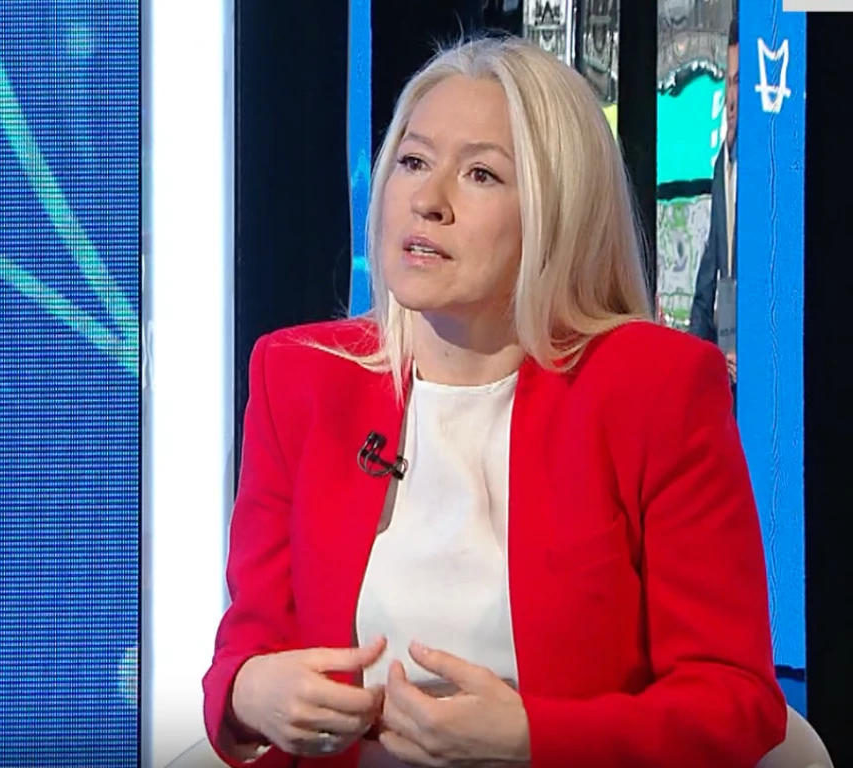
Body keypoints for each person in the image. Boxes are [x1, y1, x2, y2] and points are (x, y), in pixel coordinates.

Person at [204, 35, 785, 768]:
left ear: (557, 210)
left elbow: (734, 702)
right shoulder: (300, 378)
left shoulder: (656, 390)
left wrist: (533, 740)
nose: (427, 201)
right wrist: (249, 691)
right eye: (413, 161)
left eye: (480, 174)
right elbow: (250, 642)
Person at [690, 18, 739, 388]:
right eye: (728, 82)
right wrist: (696, 357)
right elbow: (711, 265)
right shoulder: (723, 162)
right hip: (725, 362)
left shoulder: (770, 173)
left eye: (739, 82)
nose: (730, 99)